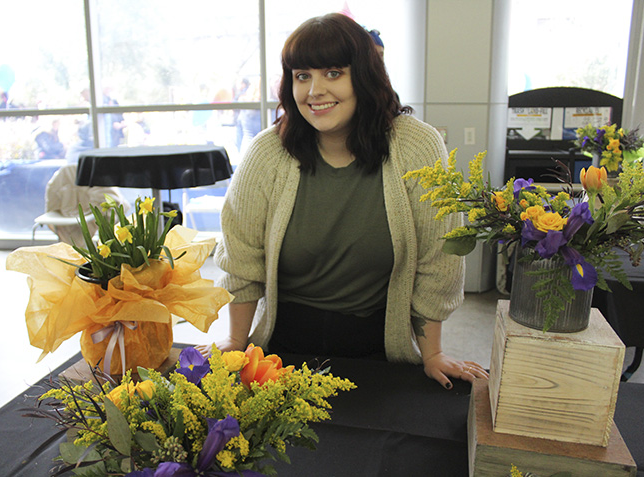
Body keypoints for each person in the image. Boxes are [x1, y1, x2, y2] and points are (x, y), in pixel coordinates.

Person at [198, 13, 487, 389]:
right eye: (303, 75)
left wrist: (431, 354)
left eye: (333, 73)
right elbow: (241, 259)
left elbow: (440, 261)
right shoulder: (266, 154)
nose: (314, 90)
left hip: (378, 346)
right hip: (283, 349)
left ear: (365, 77)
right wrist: (236, 341)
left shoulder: (416, 147)